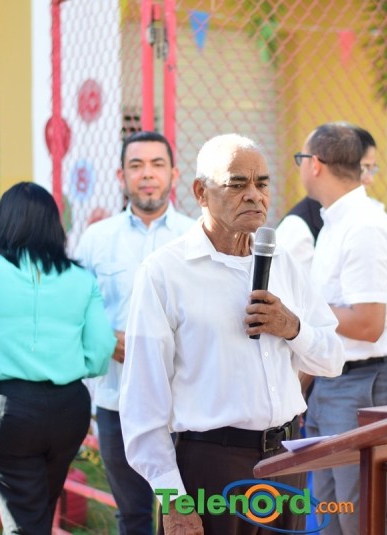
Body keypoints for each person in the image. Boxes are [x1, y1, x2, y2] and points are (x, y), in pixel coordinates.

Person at [119, 133, 345, 535]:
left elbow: (332, 358)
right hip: (213, 466)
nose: (254, 195)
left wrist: (292, 328)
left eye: (262, 183)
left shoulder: (283, 262)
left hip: (287, 459)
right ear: (200, 192)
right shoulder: (165, 272)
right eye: (237, 184)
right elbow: (142, 402)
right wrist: (172, 498)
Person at [0, 182, 115, 534]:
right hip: (70, 408)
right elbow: (101, 346)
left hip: (8, 411)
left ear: (1, 221)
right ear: (54, 227)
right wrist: (78, 368)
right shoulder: (81, 278)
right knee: (39, 514)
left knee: (24, 524)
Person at [299, 122, 387, 535]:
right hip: (334, 382)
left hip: (366, 383)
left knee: (362, 517)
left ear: (315, 164)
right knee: (331, 515)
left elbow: (367, 324)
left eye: (300, 159)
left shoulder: (364, 226)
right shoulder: (337, 222)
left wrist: (297, 315)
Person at [75, 130, 195, 535]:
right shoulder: (96, 239)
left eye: (157, 165)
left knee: (185, 514)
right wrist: (107, 339)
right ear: (120, 175)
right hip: (117, 401)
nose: (147, 174)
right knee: (133, 516)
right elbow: (77, 311)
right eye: (136, 165)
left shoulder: (196, 237)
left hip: (185, 405)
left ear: (174, 174)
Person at [277, 126, 387, 293]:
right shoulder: (302, 225)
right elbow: (294, 295)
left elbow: (366, 301)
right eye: (364, 167)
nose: (369, 179)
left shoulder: (365, 223)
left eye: (371, 168)